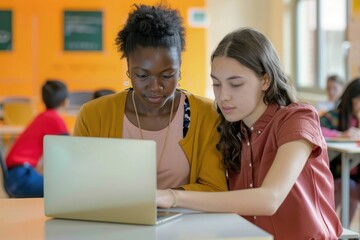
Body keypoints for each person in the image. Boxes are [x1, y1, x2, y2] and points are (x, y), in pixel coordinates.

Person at [157, 27, 342, 239]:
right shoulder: (232, 129)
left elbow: (269, 199)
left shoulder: (297, 119)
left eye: (235, 84)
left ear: (265, 80)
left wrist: (174, 197)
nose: (223, 96)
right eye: (216, 84)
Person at [73, 4, 227, 192]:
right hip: (113, 220)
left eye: (167, 75)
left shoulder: (207, 115)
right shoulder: (93, 115)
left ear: (180, 67)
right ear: (128, 67)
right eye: (142, 76)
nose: (155, 87)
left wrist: (162, 201)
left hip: (186, 221)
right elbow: (79, 186)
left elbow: (215, 188)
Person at [5, 80, 69, 197]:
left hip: (15, 174)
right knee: (66, 187)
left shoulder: (42, 116)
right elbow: (70, 152)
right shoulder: (55, 119)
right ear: (65, 102)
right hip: (21, 176)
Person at [320, 77, 360, 224]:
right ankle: (333, 227)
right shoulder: (335, 115)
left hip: (355, 177)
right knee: (346, 186)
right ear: (352, 99)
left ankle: (345, 229)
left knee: (351, 186)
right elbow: (315, 129)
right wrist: (341, 135)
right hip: (336, 173)